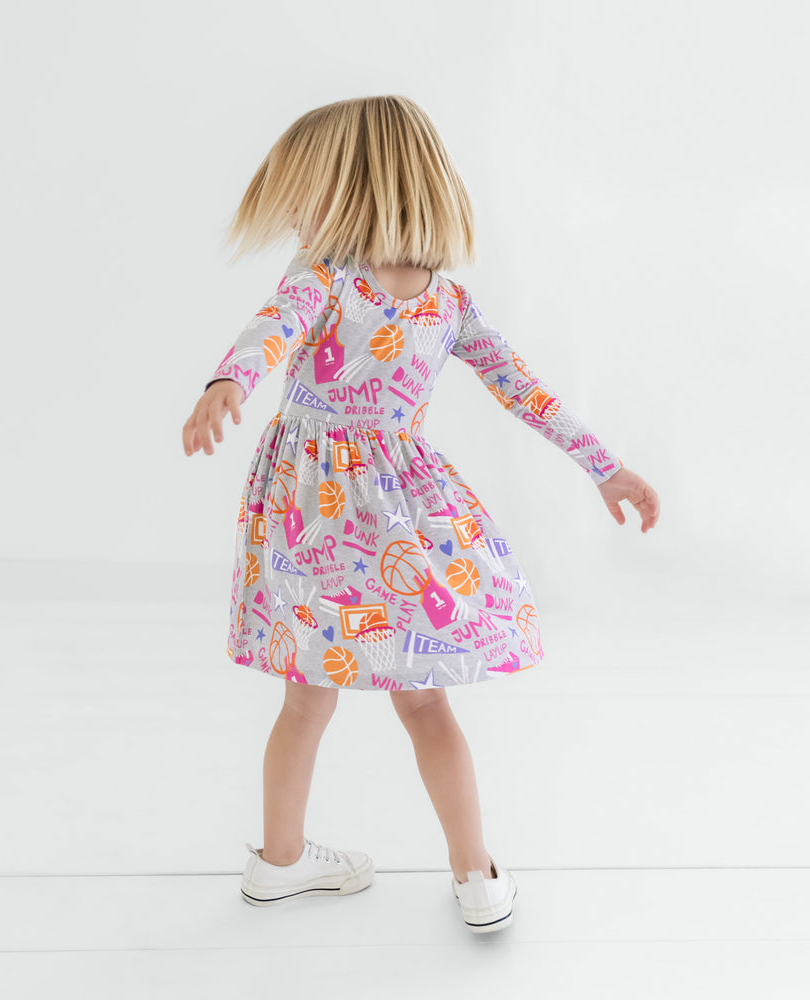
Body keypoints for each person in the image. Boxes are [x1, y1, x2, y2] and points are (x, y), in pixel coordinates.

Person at [181, 96, 660, 933]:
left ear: (349, 190)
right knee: (426, 702)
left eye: (309, 191)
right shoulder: (448, 302)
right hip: (402, 511)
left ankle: (281, 862)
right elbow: (526, 391)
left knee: (307, 699)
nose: (299, 211)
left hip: (312, 515)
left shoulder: (324, 276)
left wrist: (229, 383)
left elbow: (272, 329)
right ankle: (476, 877)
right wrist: (604, 469)